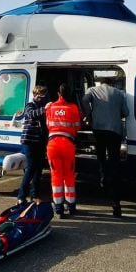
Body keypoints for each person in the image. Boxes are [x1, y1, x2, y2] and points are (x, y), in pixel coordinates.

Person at [81, 75, 128, 217]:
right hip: (115, 131)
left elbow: (84, 100)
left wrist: (89, 114)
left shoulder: (92, 90)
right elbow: (126, 112)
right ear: (112, 83)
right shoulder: (120, 93)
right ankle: (116, 202)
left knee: (100, 154)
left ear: (101, 83)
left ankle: (102, 176)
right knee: (114, 160)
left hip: (99, 129)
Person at [45, 84, 81, 217]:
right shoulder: (73, 108)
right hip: (68, 144)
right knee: (69, 176)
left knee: (56, 177)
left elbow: (48, 125)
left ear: (58, 94)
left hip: (53, 145)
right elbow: (77, 126)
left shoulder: (50, 107)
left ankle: (58, 207)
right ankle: (71, 206)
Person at [16, 84, 49, 203]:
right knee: (30, 168)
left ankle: (35, 195)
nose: (42, 99)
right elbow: (30, 114)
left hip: (39, 142)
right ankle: (21, 196)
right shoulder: (30, 105)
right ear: (35, 95)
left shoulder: (42, 105)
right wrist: (44, 109)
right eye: (40, 97)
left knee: (38, 169)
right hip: (29, 142)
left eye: (43, 97)